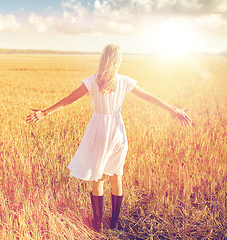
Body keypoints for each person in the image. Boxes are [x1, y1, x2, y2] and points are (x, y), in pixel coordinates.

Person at [26, 44, 192, 232]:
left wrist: (45, 113)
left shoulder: (92, 81)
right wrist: (174, 110)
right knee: (116, 176)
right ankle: (114, 224)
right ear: (118, 60)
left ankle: (97, 225)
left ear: (103, 58)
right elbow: (150, 97)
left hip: (99, 131)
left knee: (98, 178)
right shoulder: (125, 81)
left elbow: (69, 100)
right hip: (118, 132)